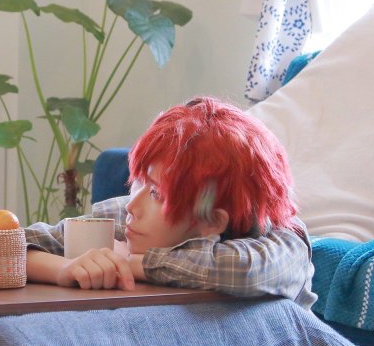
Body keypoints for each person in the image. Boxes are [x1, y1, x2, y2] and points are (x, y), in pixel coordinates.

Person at [25, 97, 316, 307]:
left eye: (156, 194)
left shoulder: (285, 241)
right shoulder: (129, 217)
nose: (132, 206)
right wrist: (62, 269)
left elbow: (244, 271)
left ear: (213, 220)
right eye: (140, 182)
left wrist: (130, 262)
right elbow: (10, 245)